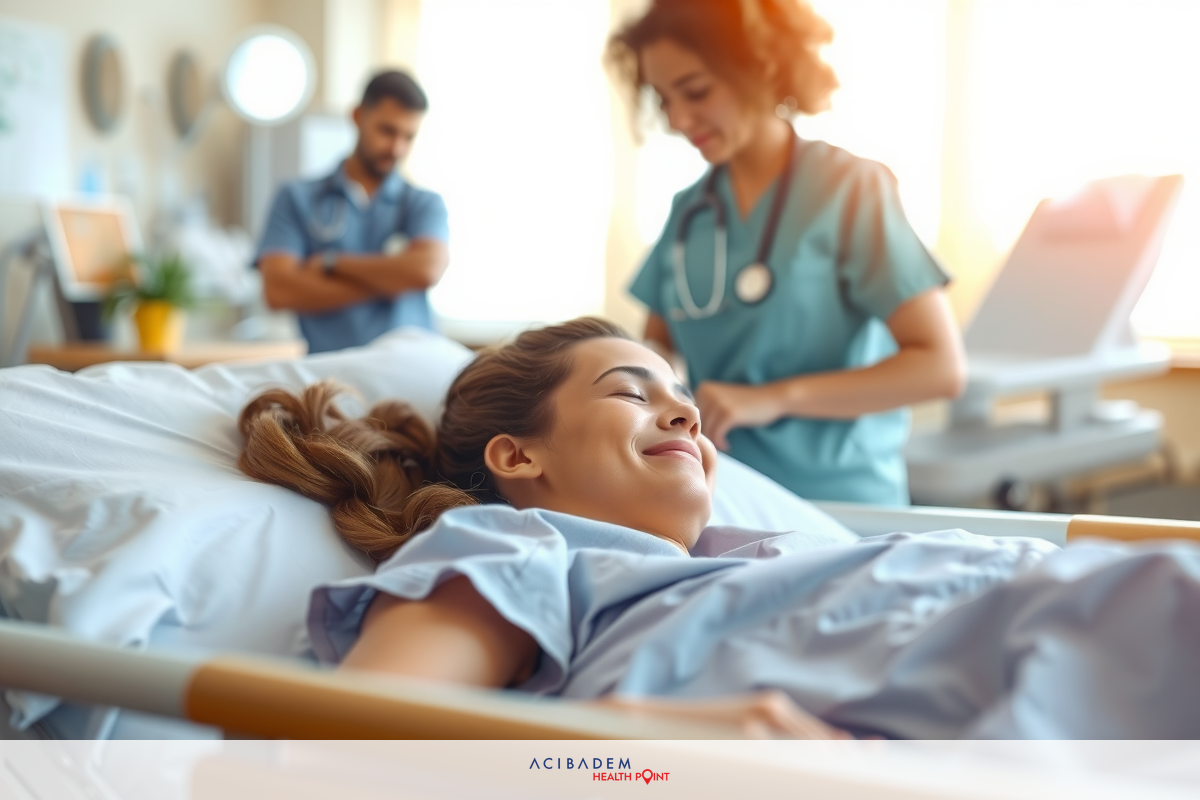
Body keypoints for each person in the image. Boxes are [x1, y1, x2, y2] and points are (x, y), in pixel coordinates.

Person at [237, 318, 1200, 739]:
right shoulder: (515, 548)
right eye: (633, 392)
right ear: (518, 457)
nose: (685, 412)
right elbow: (351, 753)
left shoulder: (756, 554)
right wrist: (634, 750)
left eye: (684, 398)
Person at [607, 0, 966, 505]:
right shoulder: (690, 212)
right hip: (723, 497)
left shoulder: (850, 189)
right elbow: (659, 350)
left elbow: (940, 368)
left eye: (696, 91)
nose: (679, 119)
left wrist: (771, 399)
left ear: (761, 67)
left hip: (841, 502)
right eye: (664, 99)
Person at [255, 70, 450, 354]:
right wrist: (395, 276)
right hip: (331, 373)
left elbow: (426, 270)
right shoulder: (296, 198)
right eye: (387, 131)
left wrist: (332, 263)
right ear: (358, 116)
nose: (397, 148)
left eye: (409, 137)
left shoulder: (423, 203)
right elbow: (278, 291)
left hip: (412, 366)